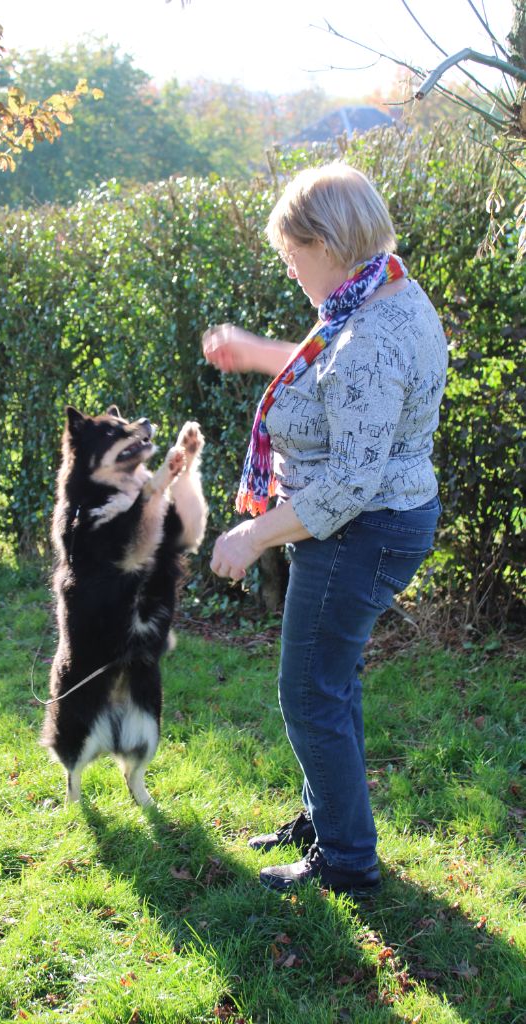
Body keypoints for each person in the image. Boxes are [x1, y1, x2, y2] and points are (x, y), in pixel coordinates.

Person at [201, 162, 447, 895]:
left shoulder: (366, 334)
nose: (289, 271)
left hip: (357, 533)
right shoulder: (385, 293)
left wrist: (251, 536)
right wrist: (259, 354)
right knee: (330, 687)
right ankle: (329, 821)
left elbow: (347, 486)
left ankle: (346, 862)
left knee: (310, 694)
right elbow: (336, 379)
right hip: (376, 523)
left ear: (329, 243)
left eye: (291, 256)